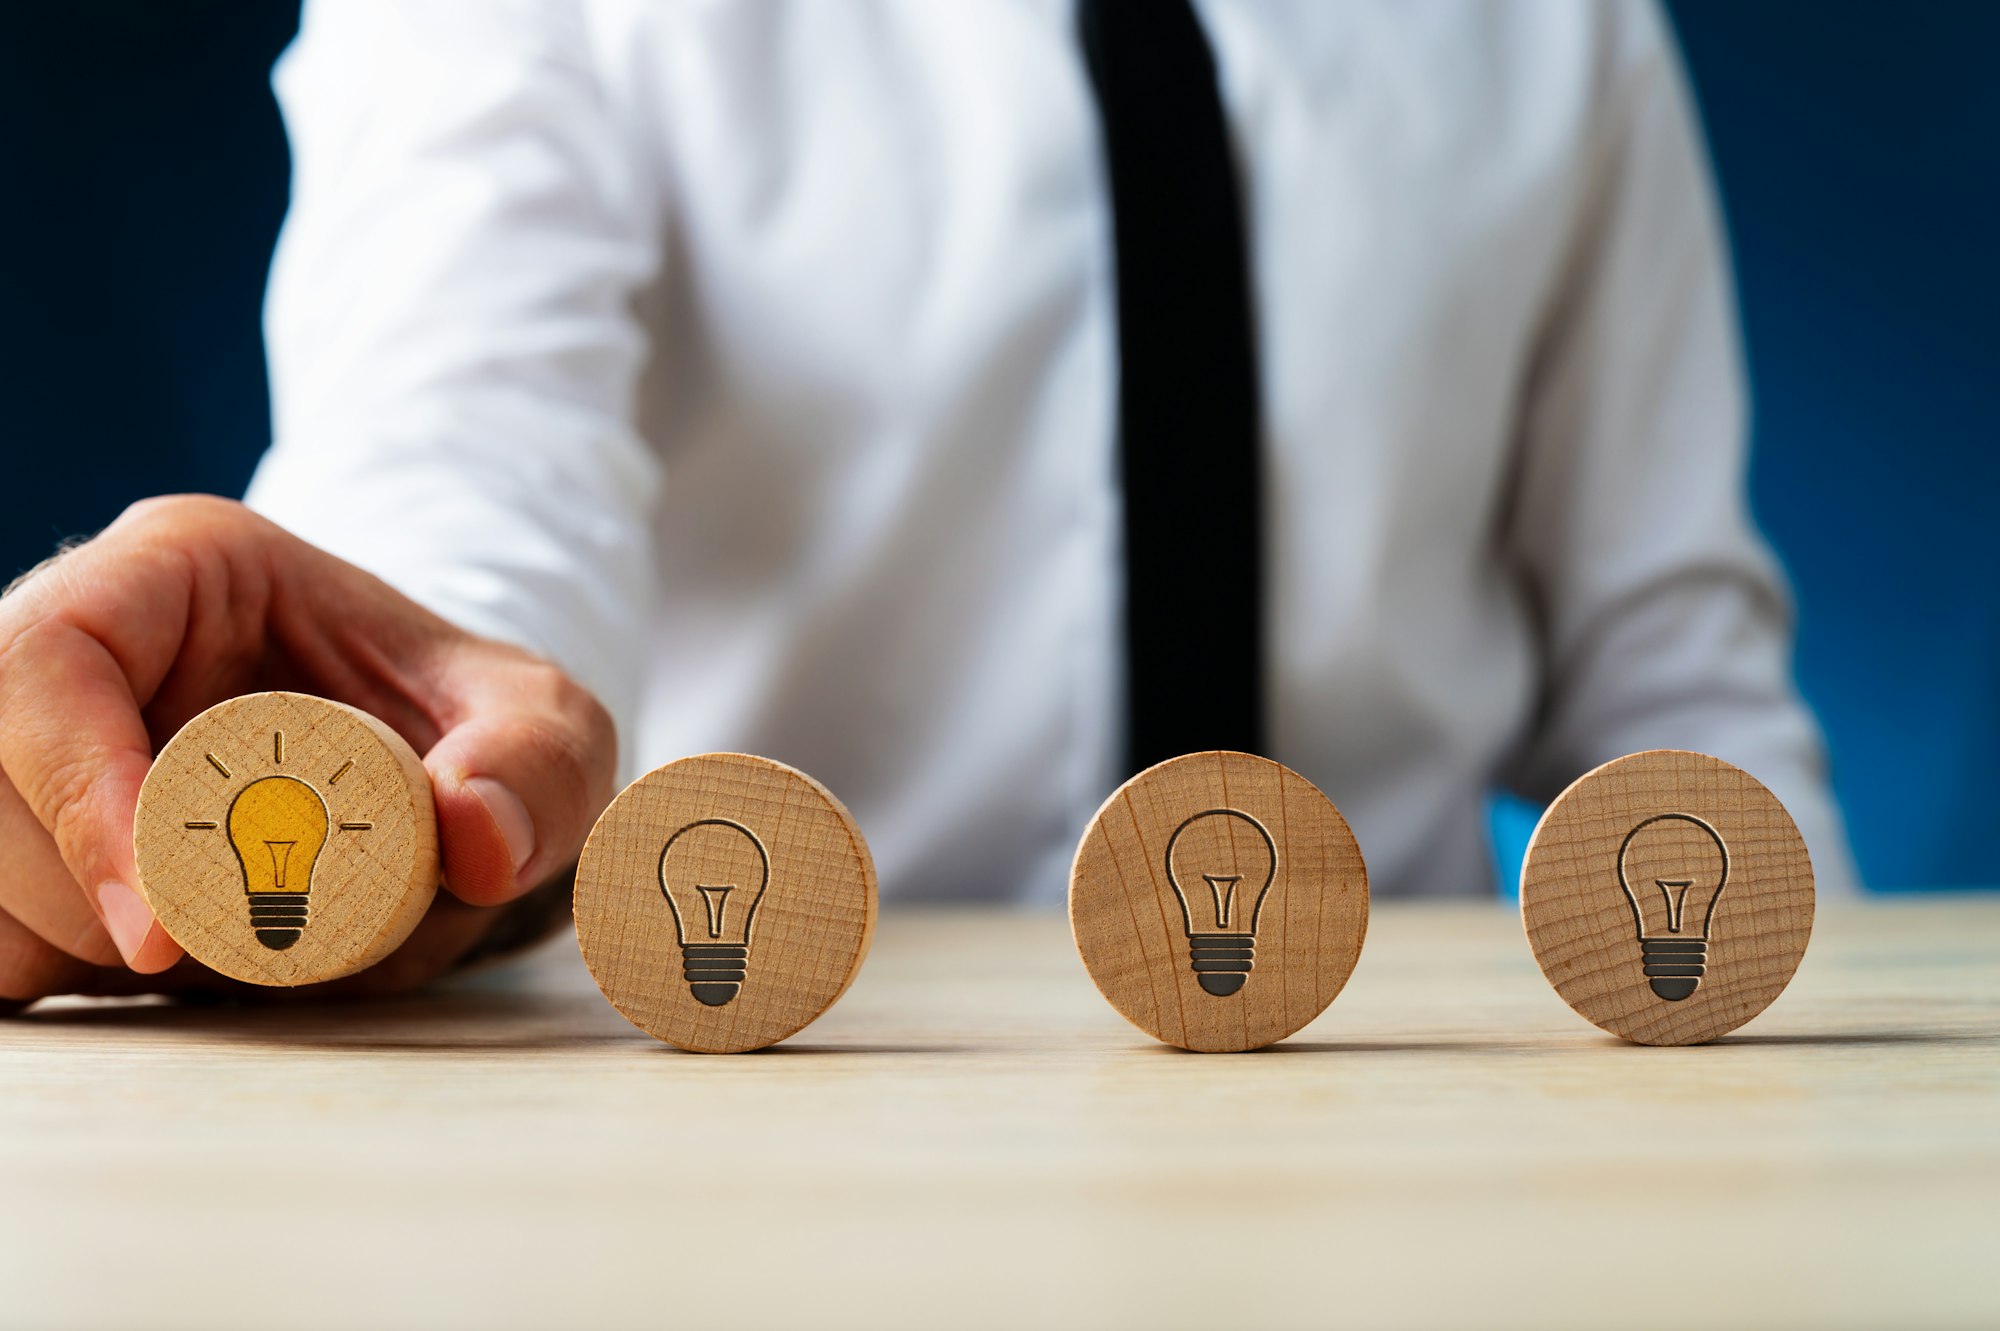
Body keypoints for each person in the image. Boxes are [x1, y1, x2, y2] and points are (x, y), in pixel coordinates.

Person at [0, 0, 1856, 1007]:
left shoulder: (1563, 28)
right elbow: (460, 526)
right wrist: (355, 761)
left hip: (1395, 1066)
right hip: (783, 1076)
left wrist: (1831, 1096)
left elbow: (1676, 680)